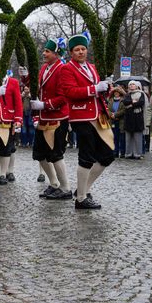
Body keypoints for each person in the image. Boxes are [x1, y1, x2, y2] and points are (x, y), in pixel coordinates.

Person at [59, 33, 114, 210]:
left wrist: (106, 88)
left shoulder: (92, 67)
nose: (81, 52)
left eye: (83, 49)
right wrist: (94, 89)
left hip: (99, 117)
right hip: (81, 116)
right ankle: (81, 198)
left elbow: (97, 90)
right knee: (86, 157)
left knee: (107, 155)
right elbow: (70, 92)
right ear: (71, 52)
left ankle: (82, 190)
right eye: (77, 50)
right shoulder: (67, 69)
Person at [29, 39, 71, 200]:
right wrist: (27, 78)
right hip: (44, 118)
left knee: (56, 154)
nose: (44, 54)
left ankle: (65, 187)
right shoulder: (45, 68)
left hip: (58, 117)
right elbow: (39, 87)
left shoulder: (62, 69)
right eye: (45, 51)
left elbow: (63, 96)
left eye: (47, 51)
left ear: (56, 54)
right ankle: (54, 183)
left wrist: (44, 105)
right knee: (39, 154)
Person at [0, 70, 23, 187]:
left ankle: (3, 174)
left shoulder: (13, 82)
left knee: (6, 148)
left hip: (7, 120)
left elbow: (18, 103)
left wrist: (18, 119)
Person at [122, 80, 147, 160]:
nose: (131, 85)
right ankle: (128, 154)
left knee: (137, 137)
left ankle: (137, 154)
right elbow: (125, 102)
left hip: (138, 118)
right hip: (129, 118)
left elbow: (141, 102)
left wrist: (131, 104)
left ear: (137, 86)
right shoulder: (127, 94)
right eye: (130, 84)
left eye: (133, 84)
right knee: (128, 138)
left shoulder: (141, 94)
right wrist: (133, 102)